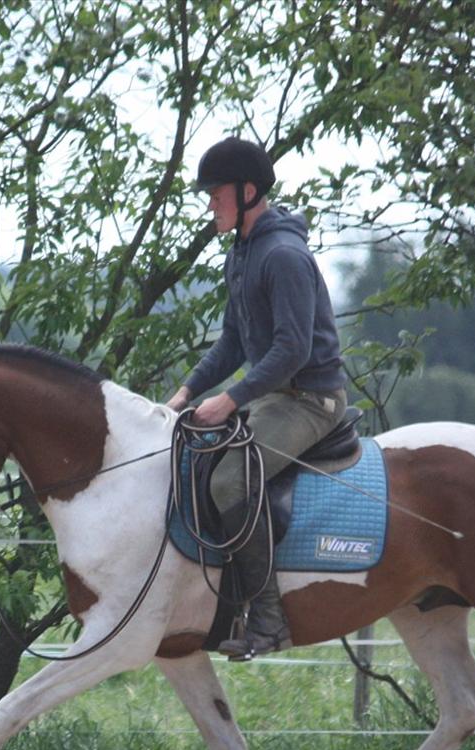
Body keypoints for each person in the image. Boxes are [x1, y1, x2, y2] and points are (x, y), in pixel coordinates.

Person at [167, 137, 347, 659]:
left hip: (311, 400)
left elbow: (291, 350)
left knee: (229, 477)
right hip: (272, 397)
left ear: (247, 192)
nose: (210, 204)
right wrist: (184, 394)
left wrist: (230, 400)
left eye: (216, 193)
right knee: (191, 454)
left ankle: (268, 619)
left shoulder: (285, 256)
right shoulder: (243, 255)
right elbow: (232, 342)